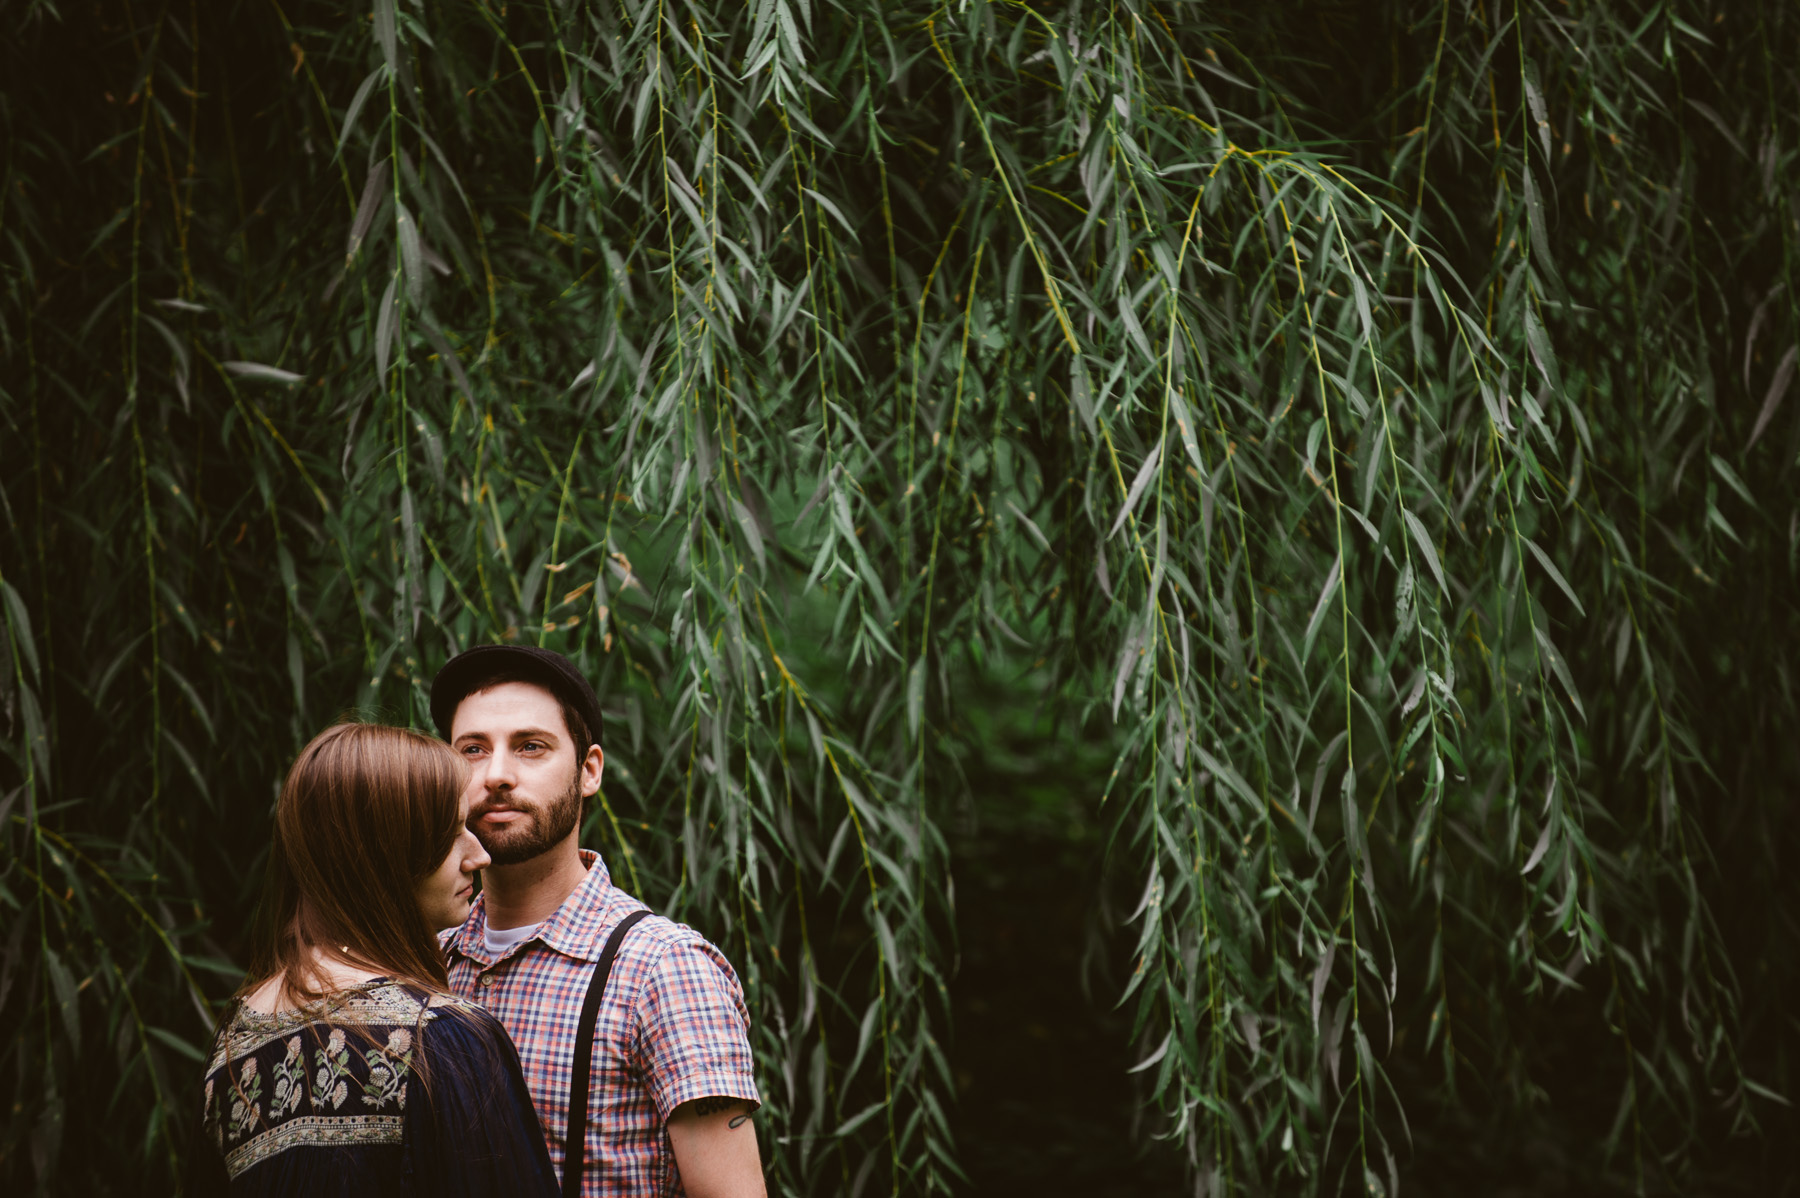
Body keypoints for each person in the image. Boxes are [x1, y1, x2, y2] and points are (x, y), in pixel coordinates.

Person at [430, 645, 765, 1198]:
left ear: (589, 771)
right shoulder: (426, 957)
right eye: (472, 750)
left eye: (530, 747)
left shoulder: (663, 970)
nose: (496, 775)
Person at [186, 723, 559, 1198]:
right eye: (450, 834)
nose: (478, 855)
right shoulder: (443, 1040)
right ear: (387, 852)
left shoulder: (233, 1049)